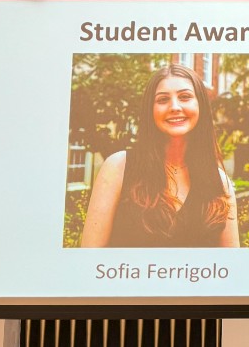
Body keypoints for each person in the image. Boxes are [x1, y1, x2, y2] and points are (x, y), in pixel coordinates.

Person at [80, 62, 238, 248]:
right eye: (163, 100)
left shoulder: (221, 183)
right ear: (150, 111)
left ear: (201, 106)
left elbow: (230, 267)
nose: (174, 107)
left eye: (185, 97)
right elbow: (90, 260)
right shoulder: (118, 167)